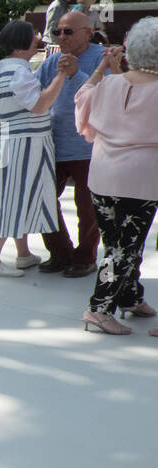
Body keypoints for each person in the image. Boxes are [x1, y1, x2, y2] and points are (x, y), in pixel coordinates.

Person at [74, 19, 158, 335]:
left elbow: (83, 97)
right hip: (140, 180)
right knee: (123, 249)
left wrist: (103, 68)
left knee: (117, 244)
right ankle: (99, 308)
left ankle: (129, 295)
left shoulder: (111, 83)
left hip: (104, 176)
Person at [0, 20, 69, 276]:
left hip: (7, 139)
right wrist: (60, 77)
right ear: (22, 44)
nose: (38, 42)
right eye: (34, 38)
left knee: (17, 195)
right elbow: (39, 105)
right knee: (12, 197)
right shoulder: (19, 72)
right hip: (21, 144)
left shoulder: (6, 69)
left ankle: (23, 254)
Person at [38, 10, 109, 277]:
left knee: (87, 206)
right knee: (43, 199)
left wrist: (77, 74)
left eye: (68, 31)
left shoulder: (102, 58)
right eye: (58, 31)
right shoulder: (51, 61)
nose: (62, 37)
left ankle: (84, 258)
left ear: (88, 33)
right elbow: (36, 94)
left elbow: (106, 96)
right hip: (53, 144)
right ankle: (60, 253)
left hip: (87, 147)